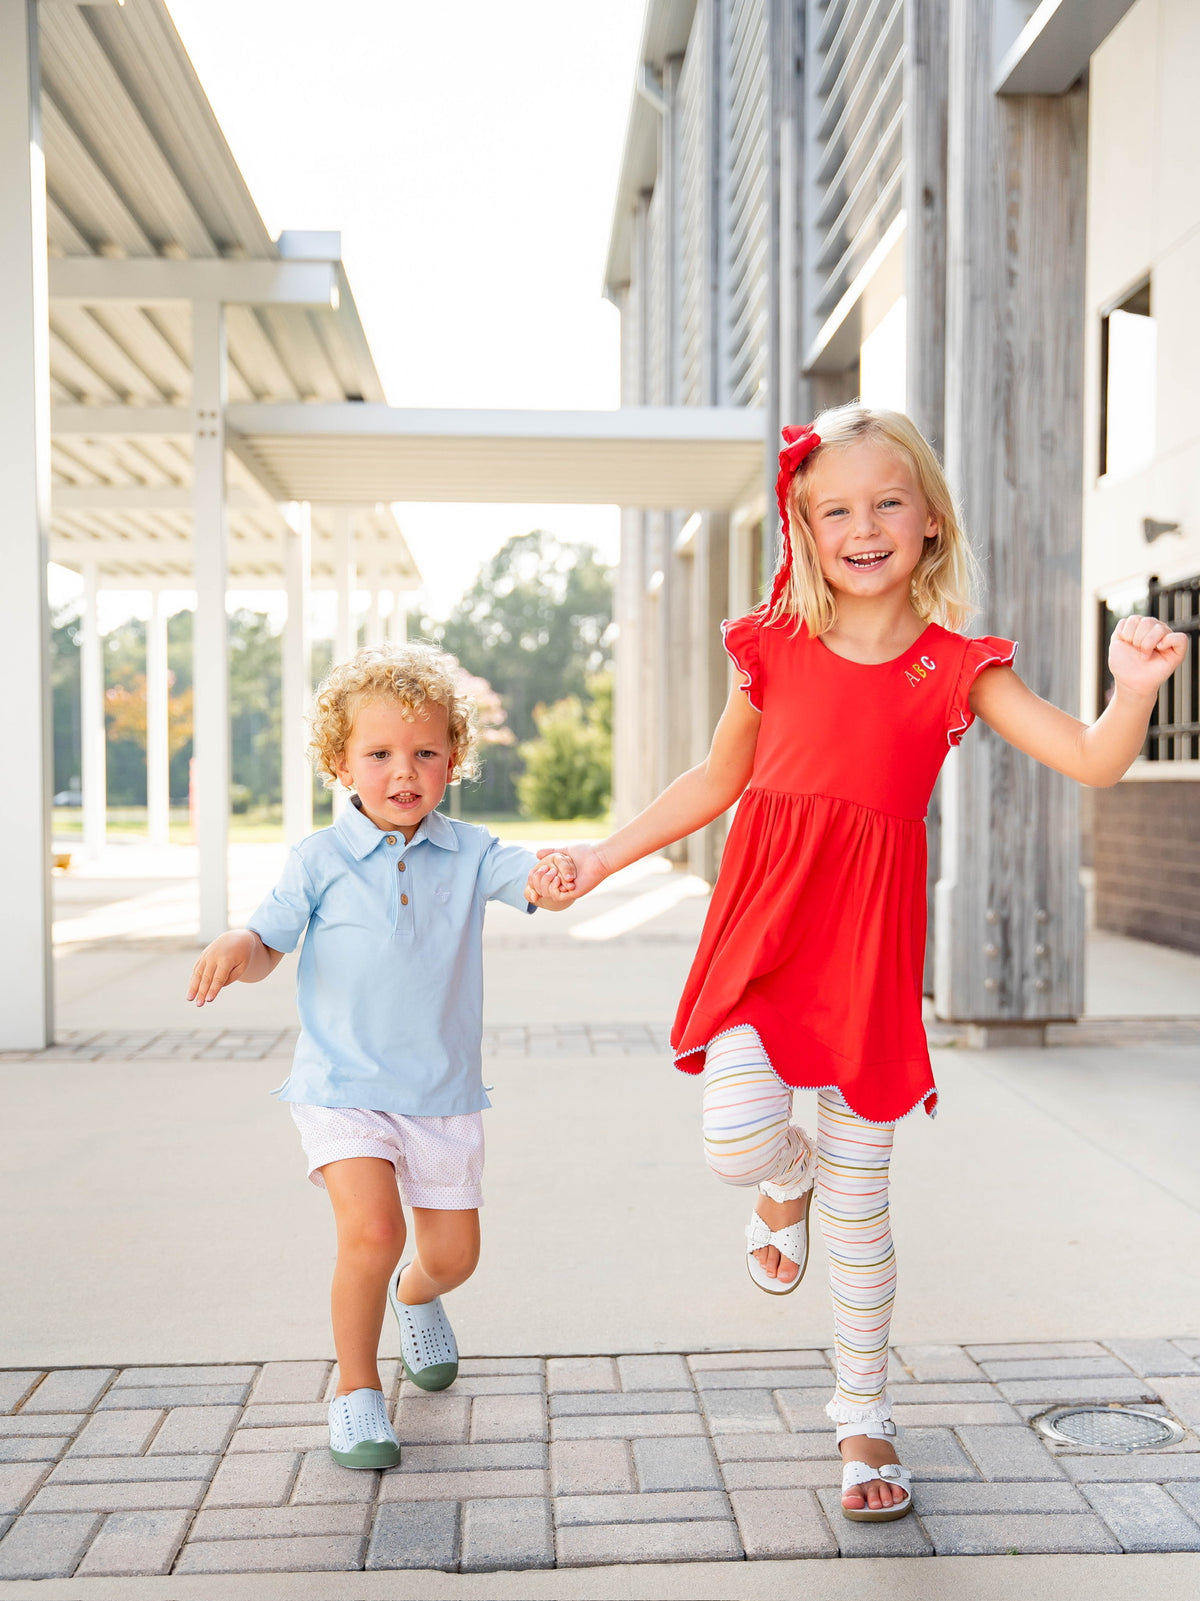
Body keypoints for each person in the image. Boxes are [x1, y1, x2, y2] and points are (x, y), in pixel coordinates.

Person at [526, 402, 1188, 1523]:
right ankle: (786, 1176)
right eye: (835, 508)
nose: (863, 525)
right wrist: (601, 857)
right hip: (762, 929)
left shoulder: (953, 666)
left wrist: (1133, 689)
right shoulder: (772, 647)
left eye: (888, 502)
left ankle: (863, 1416)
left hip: (868, 953)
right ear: (806, 525)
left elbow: (1088, 757)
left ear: (929, 521)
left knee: (867, 1202)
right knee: (737, 1139)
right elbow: (711, 781)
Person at [188, 643, 574, 1470]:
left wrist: (560, 873)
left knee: (451, 1256)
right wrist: (241, 941)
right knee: (371, 1230)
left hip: (441, 1093)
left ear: (453, 760)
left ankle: (416, 1296)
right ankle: (356, 1395)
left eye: (425, 752)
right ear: (341, 762)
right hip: (342, 1088)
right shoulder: (318, 861)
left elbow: (528, 879)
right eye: (380, 753)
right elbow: (268, 943)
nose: (405, 771)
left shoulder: (470, 852)